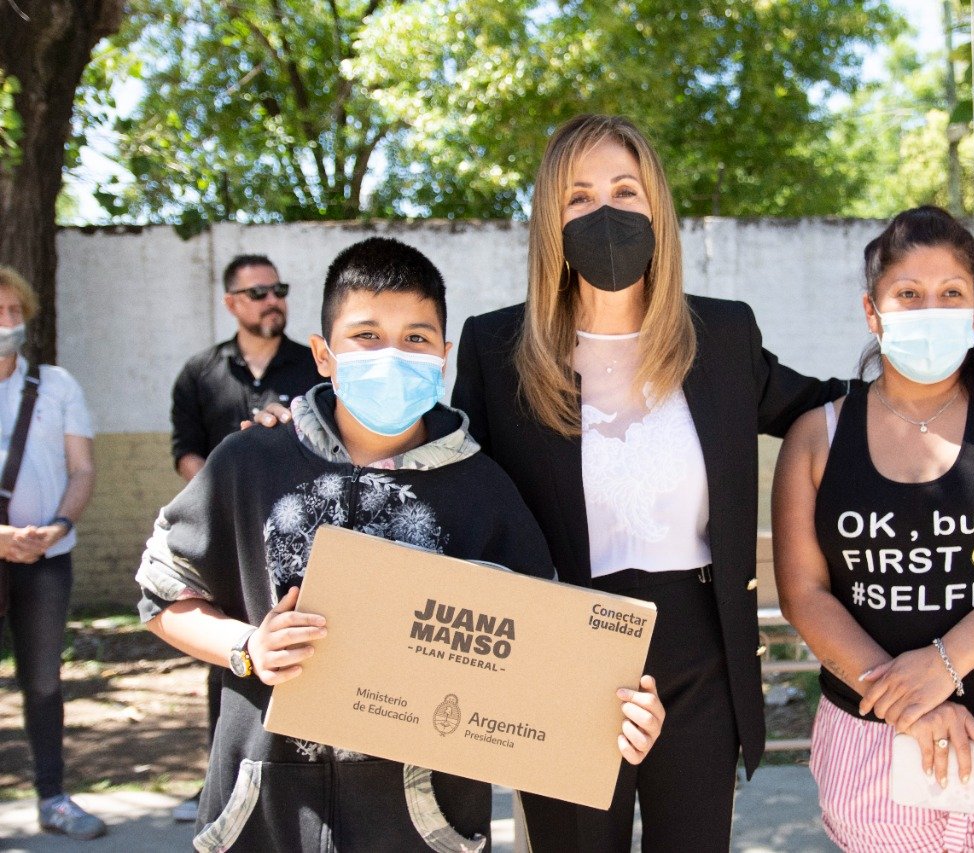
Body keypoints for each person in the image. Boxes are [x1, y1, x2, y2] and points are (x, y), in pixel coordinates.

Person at [136, 237, 663, 851]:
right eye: (365, 335)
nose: (391, 353)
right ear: (323, 355)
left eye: (415, 338)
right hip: (264, 814)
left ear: (442, 356)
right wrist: (248, 647)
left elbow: (541, 666)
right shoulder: (248, 464)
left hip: (422, 826)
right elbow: (163, 594)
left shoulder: (485, 490)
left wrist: (610, 720)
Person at [451, 114, 846, 851]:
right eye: (579, 197)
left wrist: (960, 399)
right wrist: (302, 425)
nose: (605, 213)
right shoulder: (496, 346)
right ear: (548, 219)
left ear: (656, 208)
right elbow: (435, 465)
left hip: (700, 648)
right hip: (560, 643)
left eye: (625, 191)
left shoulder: (722, 336)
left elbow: (825, 408)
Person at [773, 206, 974, 852]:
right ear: (873, 312)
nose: (930, 309)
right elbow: (803, 593)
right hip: (873, 749)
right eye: (908, 294)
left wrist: (944, 665)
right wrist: (909, 699)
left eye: (950, 293)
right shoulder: (818, 437)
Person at [168, 253, 322, 821]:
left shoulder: (314, 366)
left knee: (309, 651)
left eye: (278, 289)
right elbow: (185, 451)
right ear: (231, 302)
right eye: (257, 292)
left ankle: (304, 784)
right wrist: (232, 478)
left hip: (307, 533)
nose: (271, 300)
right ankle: (224, 778)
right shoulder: (199, 372)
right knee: (231, 655)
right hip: (233, 538)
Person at [0, 267, 103, 840]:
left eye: (15, 312)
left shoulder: (56, 384)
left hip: (47, 556)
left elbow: (82, 468)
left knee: (42, 681)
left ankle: (53, 796)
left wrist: (58, 524)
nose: (7, 323)